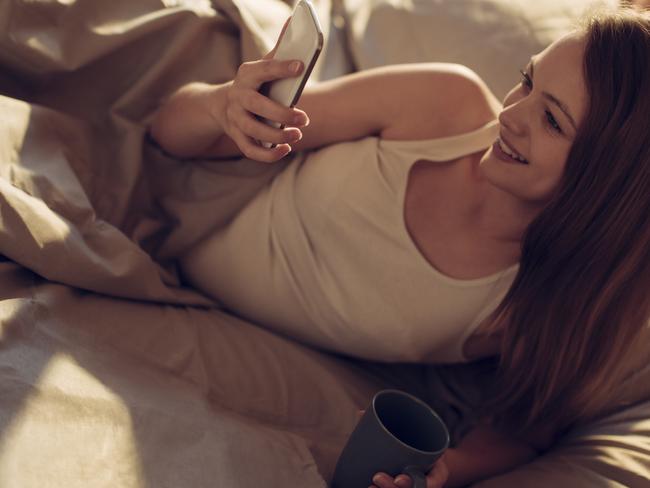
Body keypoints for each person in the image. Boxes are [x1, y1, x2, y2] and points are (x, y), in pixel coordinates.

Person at [149, 6, 650, 488]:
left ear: (609, 181)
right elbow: (168, 131)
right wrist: (224, 105)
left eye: (554, 122)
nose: (512, 114)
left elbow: (524, 428)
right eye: (526, 79)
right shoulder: (442, 103)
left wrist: (447, 470)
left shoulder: (546, 300)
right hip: (195, 194)